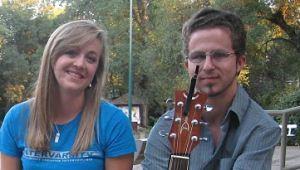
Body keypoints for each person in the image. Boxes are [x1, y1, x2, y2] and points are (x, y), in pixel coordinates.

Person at [142, 8, 281, 170]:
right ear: (187, 66)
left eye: (219, 55)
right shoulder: (165, 129)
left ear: (240, 62)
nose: (208, 66)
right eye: (198, 56)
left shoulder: (261, 128)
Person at [0, 20, 136, 170]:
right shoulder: (17, 118)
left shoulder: (114, 122)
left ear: (97, 70)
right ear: (52, 57)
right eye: (71, 52)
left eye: (91, 59)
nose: (80, 64)